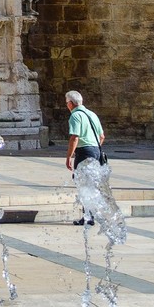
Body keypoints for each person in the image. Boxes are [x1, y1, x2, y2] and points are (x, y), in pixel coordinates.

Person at [65, 89, 105, 225]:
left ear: (70, 103)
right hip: (96, 151)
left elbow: (74, 137)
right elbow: (102, 136)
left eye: (67, 103)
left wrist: (69, 156)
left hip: (84, 152)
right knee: (90, 183)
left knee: (83, 183)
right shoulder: (92, 114)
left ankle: (88, 216)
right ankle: (90, 215)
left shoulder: (75, 116)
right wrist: (94, 148)